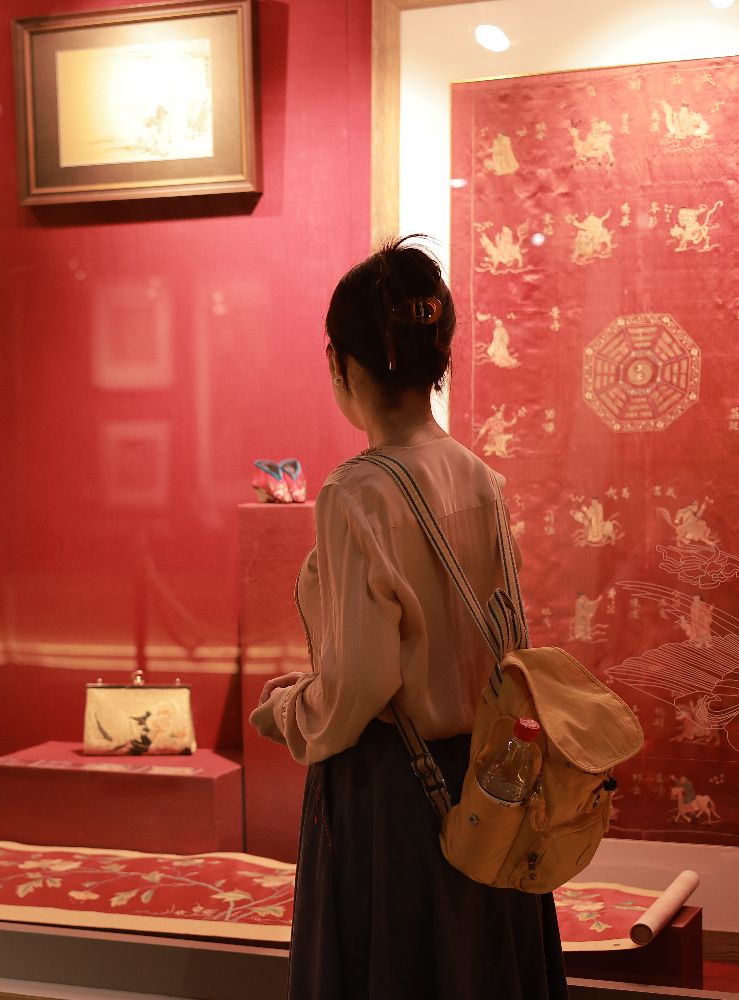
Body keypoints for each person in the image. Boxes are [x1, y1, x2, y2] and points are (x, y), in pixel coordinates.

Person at [248, 237, 568, 999]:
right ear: (438, 358)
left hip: (394, 794)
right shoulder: (479, 477)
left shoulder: (356, 493)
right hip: (488, 780)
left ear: (340, 363)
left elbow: (359, 685)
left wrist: (291, 711)